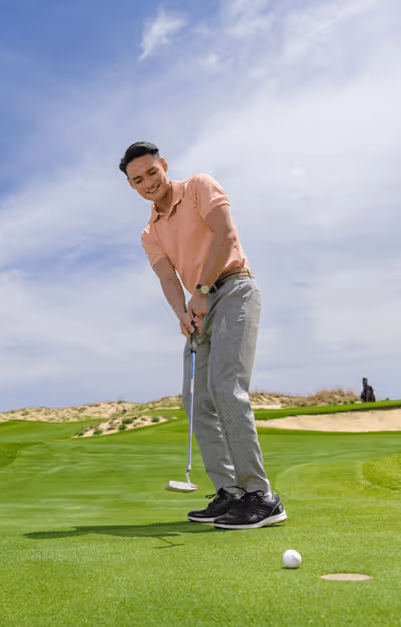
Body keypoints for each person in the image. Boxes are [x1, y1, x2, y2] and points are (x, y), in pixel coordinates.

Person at [120, 141, 287, 530]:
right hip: (200, 306)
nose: (148, 182)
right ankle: (230, 492)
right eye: (138, 179)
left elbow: (225, 234)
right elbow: (167, 278)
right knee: (195, 398)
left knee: (226, 387)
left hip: (233, 288)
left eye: (152, 172)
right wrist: (182, 313)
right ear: (131, 185)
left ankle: (261, 496)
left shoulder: (199, 186)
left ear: (164, 165)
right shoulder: (150, 232)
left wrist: (202, 291)